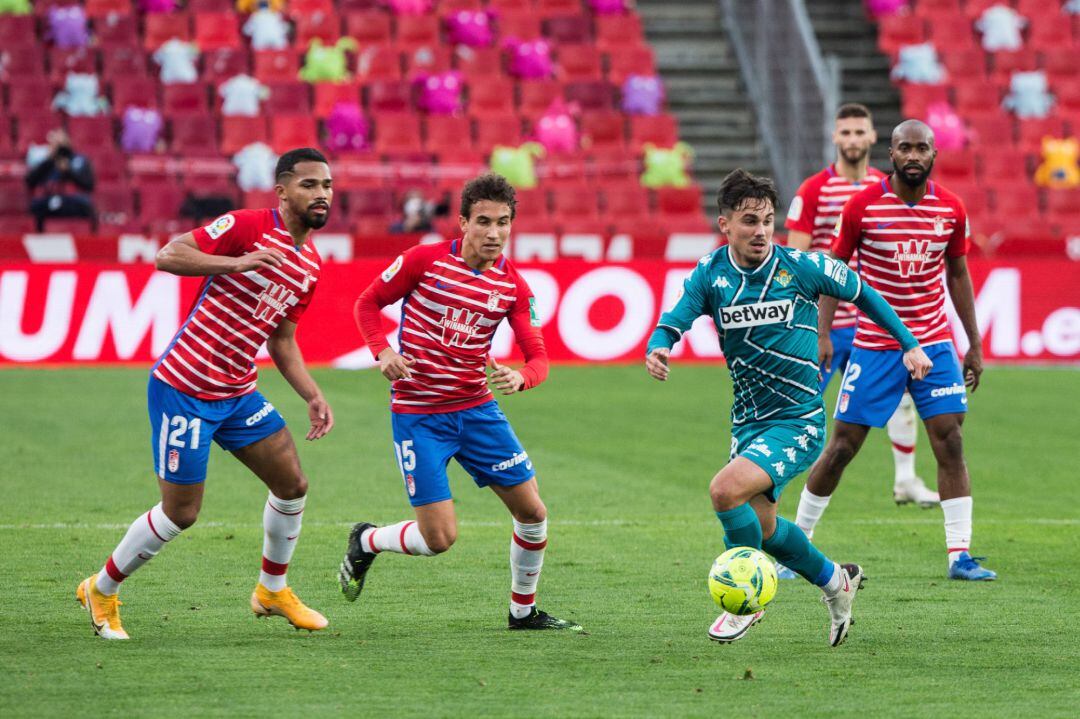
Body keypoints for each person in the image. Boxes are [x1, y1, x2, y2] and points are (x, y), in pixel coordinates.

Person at [645, 168, 932, 645]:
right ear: (725, 225)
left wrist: (908, 344)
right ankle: (837, 581)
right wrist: (660, 346)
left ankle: (747, 604)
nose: (760, 231)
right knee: (764, 526)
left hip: (798, 419)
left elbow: (865, 294)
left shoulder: (800, 266)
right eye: (749, 221)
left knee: (724, 491)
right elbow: (675, 318)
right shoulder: (710, 274)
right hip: (748, 422)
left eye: (767, 221)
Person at [76, 148, 336, 639]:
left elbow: (281, 339)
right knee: (181, 513)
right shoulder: (246, 226)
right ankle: (103, 589)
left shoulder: (311, 265)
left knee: (292, 484)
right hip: (185, 388)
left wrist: (311, 394)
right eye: (308, 185)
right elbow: (167, 255)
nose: (321, 194)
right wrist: (235, 263)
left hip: (238, 391)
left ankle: (271, 591)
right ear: (282, 191)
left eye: (326, 185)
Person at [340, 172, 582, 632]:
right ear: (463, 222)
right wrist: (384, 350)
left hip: (477, 412)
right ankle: (367, 540)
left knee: (533, 514)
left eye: (504, 222)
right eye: (485, 222)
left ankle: (522, 612)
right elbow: (367, 304)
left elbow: (539, 357)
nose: (494, 233)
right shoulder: (423, 260)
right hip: (419, 416)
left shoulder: (513, 287)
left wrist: (522, 376)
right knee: (439, 539)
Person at [800, 120, 997, 581]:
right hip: (875, 345)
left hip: (934, 341)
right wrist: (823, 333)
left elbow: (959, 275)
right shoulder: (863, 206)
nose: (914, 155)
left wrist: (973, 343)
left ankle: (959, 556)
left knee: (949, 440)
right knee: (844, 445)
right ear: (890, 152)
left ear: (933, 154)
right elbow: (834, 270)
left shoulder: (950, 208)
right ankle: (799, 544)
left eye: (922, 148)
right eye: (905, 147)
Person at [786, 103, 937, 517]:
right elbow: (796, 258)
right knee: (802, 404)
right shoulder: (813, 190)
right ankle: (775, 479)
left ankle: (906, 478)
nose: (852, 140)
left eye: (860, 133)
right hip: (825, 321)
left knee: (904, 396)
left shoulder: (888, 187)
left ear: (873, 139)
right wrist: (809, 321)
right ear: (835, 138)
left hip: (874, 322)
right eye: (845, 133)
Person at [25, 129, 95, 231]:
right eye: (56, 143)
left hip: (74, 202)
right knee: (37, 209)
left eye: (61, 142)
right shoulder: (47, 162)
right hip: (49, 200)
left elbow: (89, 185)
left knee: (88, 208)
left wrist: (68, 171)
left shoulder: (79, 160)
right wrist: (51, 159)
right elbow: (30, 181)